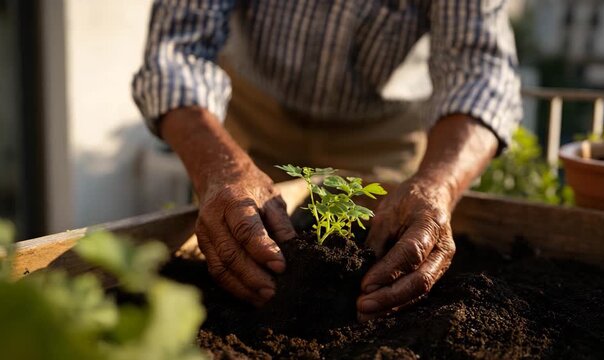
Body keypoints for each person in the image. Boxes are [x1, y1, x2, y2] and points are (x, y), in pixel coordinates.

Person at [132, 0, 521, 321]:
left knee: (387, 250)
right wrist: (221, 169)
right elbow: (176, 51)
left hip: (383, 129)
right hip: (251, 118)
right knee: (237, 233)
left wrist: (439, 184)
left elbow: (481, 73)